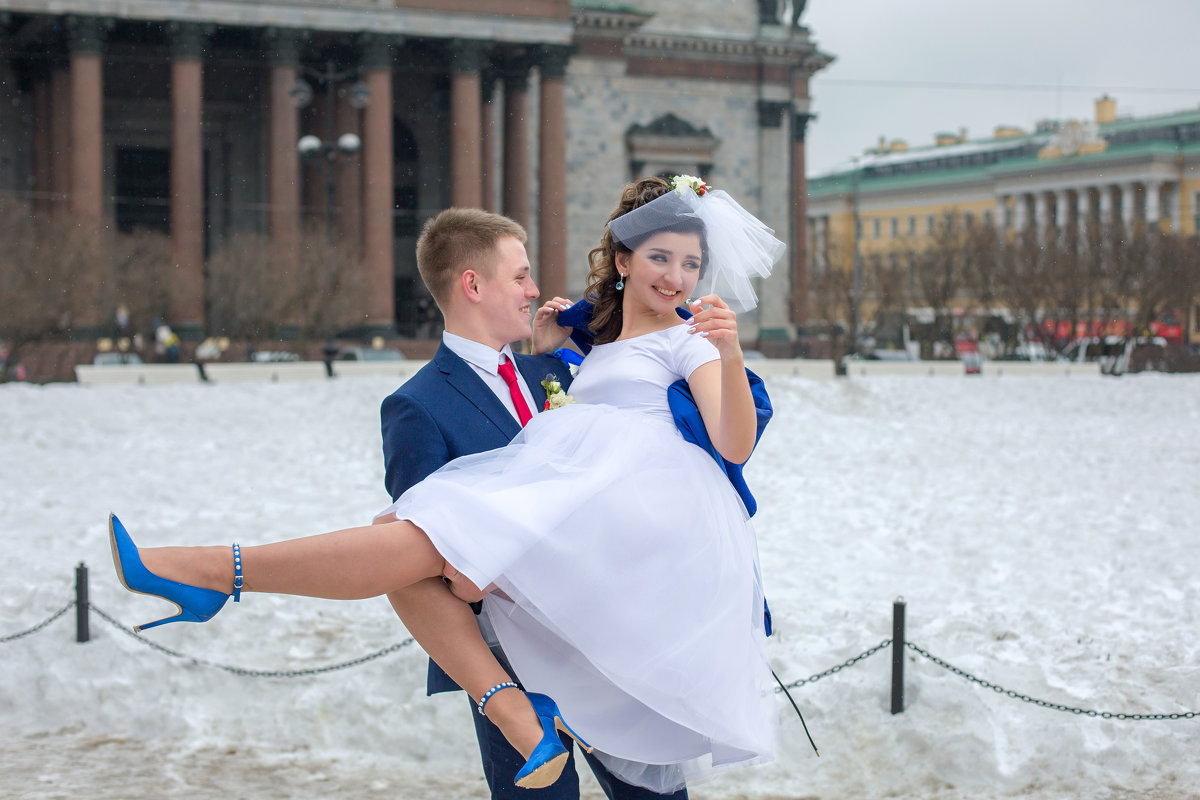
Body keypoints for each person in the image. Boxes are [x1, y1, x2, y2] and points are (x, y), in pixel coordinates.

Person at [107, 175, 786, 794]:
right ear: (624, 259)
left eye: (691, 264)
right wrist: (555, 344)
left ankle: (210, 572)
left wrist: (727, 352)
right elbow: (569, 391)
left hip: (621, 546)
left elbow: (732, 443)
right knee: (406, 538)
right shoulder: (576, 353)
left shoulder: (691, 340)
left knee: (410, 540)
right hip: (546, 584)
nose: (676, 276)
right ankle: (211, 572)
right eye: (661, 257)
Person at [379, 208, 641, 800]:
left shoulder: (550, 370)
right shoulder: (415, 407)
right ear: (473, 285)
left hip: (603, 642)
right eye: (520, 276)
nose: (534, 291)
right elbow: (429, 554)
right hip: (510, 658)